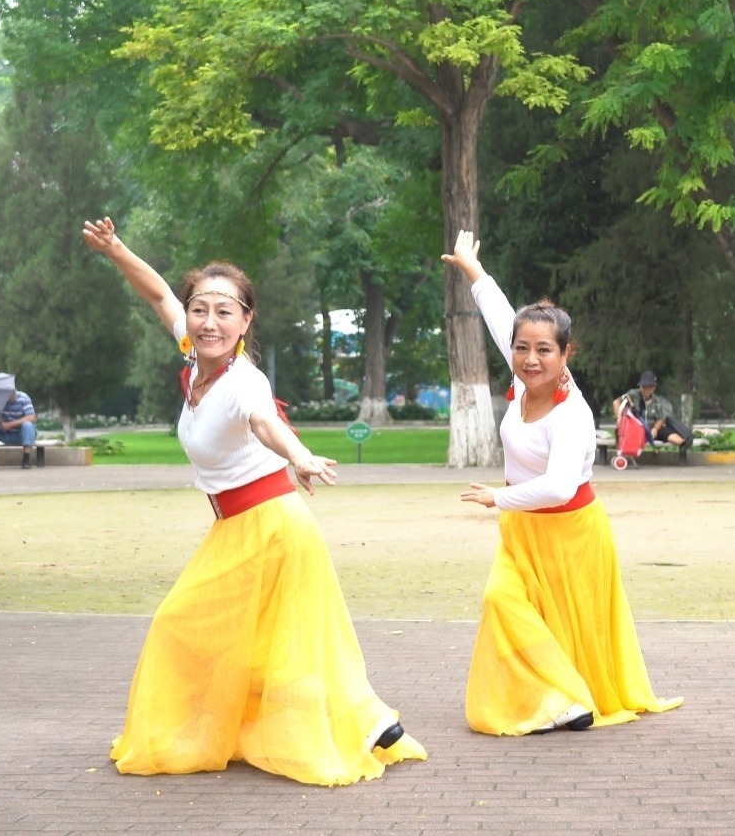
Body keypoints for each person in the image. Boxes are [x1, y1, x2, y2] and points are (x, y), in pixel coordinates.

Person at [81, 216, 425, 786]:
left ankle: (359, 718)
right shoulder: (193, 356)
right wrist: (116, 249)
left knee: (183, 625)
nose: (209, 321)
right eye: (201, 309)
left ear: (246, 321)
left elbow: (265, 423)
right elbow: (158, 292)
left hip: (270, 525)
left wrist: (301, 455)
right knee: (262, 644)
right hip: (239, 527)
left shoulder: (245, 380)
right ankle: (368, 719)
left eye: (224, 312)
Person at [441, 229, 682, 736]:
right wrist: (473, 270)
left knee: (565, 624)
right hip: (523, 534)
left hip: (570, 532)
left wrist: (496, 497)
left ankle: (565, 698)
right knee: (502, 601)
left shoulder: (571, 414)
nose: (531, 358)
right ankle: (559, 696)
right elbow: (501, 316)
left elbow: (556, 488)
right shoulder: (522, 377)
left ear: (565, 354)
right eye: (522, 348)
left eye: (544, 350)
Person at [612, 371, 693, 456]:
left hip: (653, 428)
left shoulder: (657, 401)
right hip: (636, 429)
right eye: (644, 386)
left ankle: (683, 453)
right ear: (640, 386)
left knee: (678, 440)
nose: (646, 389)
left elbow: (661, 418)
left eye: (649, 386)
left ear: (654, 388)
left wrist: (655, 429)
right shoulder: (633, 394)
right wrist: (619, 417)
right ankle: (623, 455)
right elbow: (616, 402)